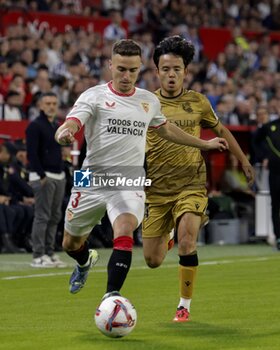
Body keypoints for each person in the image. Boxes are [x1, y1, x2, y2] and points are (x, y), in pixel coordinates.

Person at [54, 39, 228, 301]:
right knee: (70, 243)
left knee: (124, 229)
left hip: (129, 178)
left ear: (140, 69)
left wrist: (204, 143)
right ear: (110, 66)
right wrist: (64, 133)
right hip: (91, 178)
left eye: (133, 70)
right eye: (121, 69)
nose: (126, 76)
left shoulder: (148, 101)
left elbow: (167, 129)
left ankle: (111, 298)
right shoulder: (94, 96)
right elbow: (72, 122)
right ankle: (84, 260)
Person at [142, 36, 255, 322]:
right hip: (157, 189)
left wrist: (243, 160)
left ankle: (183, 305)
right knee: (152, 261)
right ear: (157, 72)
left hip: (191, 184)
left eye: (176, 69)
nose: (171, 74)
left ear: (185, 72)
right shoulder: (145, 103)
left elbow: (223, 131)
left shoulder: (198, 102)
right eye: (165, 69)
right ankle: (169, 237)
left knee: (187, 243)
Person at [26, 92, 67, 267]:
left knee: (55, 216)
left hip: (58, 175)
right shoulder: (35, 126)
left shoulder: (56, 125)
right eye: (48, 103)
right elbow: (31, 154)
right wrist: (41, 175)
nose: (51, 106)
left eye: (54, 103)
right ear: (40, 106)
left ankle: (49, 253)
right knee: (42, 216)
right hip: (44, 176)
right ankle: (38, 255)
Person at [254, 111, 280, 250]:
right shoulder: (270, 127)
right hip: (275, 172)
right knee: (275, 206)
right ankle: (278, 237)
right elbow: (255, 141)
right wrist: (263, 156)